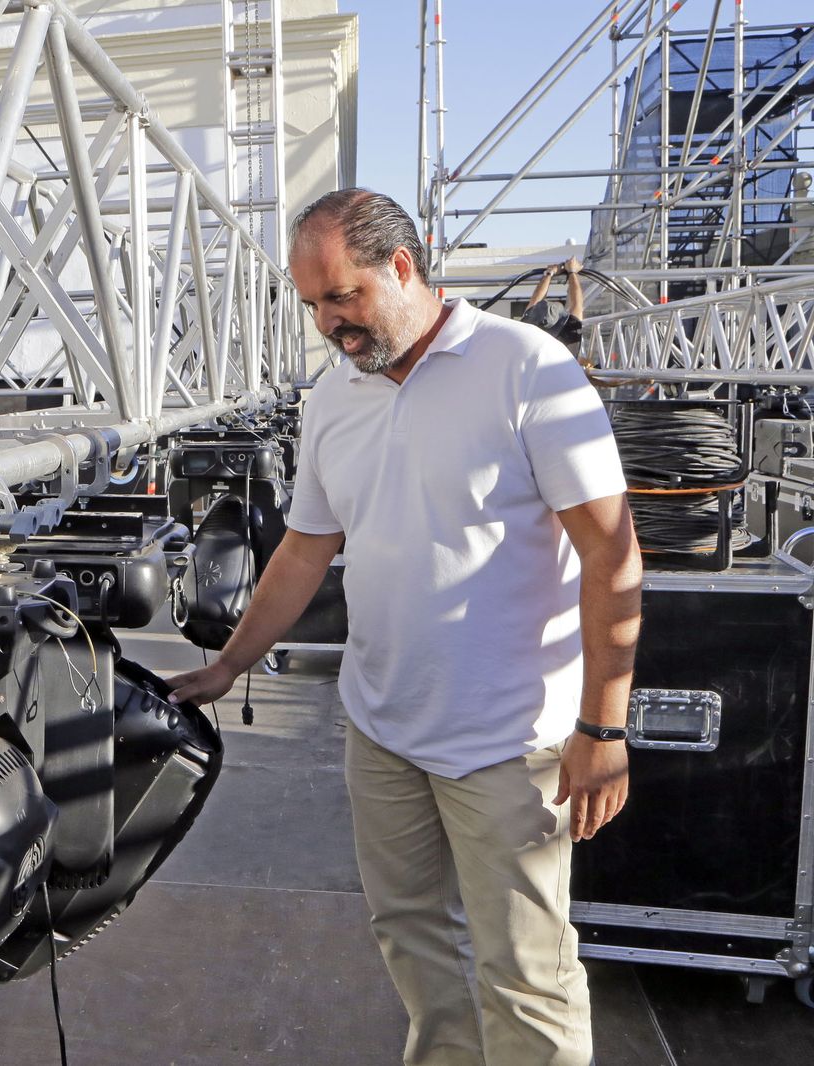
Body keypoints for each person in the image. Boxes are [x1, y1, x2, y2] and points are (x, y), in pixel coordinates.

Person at [169, 189, 642, 1066]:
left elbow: (614, 559)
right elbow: (306, 552)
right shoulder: (334, 399)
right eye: (312, 304)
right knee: (411, 936)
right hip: (382, 727)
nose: (327, 324)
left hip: (509, 739)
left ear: (401, 266)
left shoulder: (527, 367)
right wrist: (229, 664)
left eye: (342, 296)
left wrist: (603, 728)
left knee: (525, 973)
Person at [520, 256, 585, 349]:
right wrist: (572, 271)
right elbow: (577, 303)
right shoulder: (568, 335)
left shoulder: (526, 333)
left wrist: (549, 273)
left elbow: (535, 300)